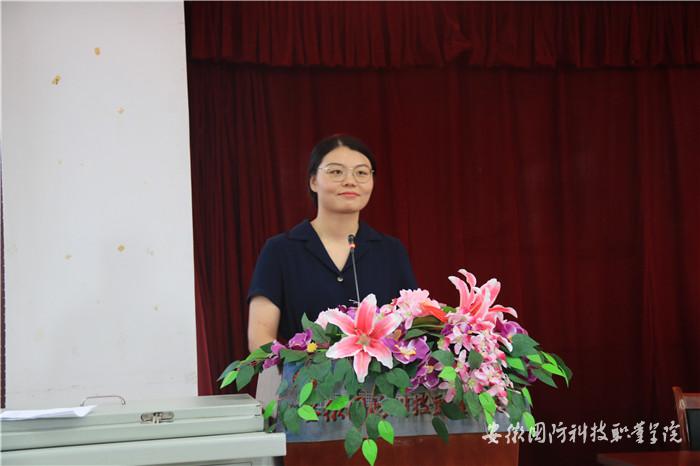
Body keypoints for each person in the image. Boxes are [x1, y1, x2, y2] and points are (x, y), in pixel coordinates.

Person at [247, 134, 418, 352]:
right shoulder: (280, 250)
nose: (350, 181)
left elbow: (413, 327)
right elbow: (260, 337)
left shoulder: (391, 251)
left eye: (361, 173)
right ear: (313, 181)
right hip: (304, 373)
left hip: (380, 373)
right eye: (336, 172)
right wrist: (293, 367)